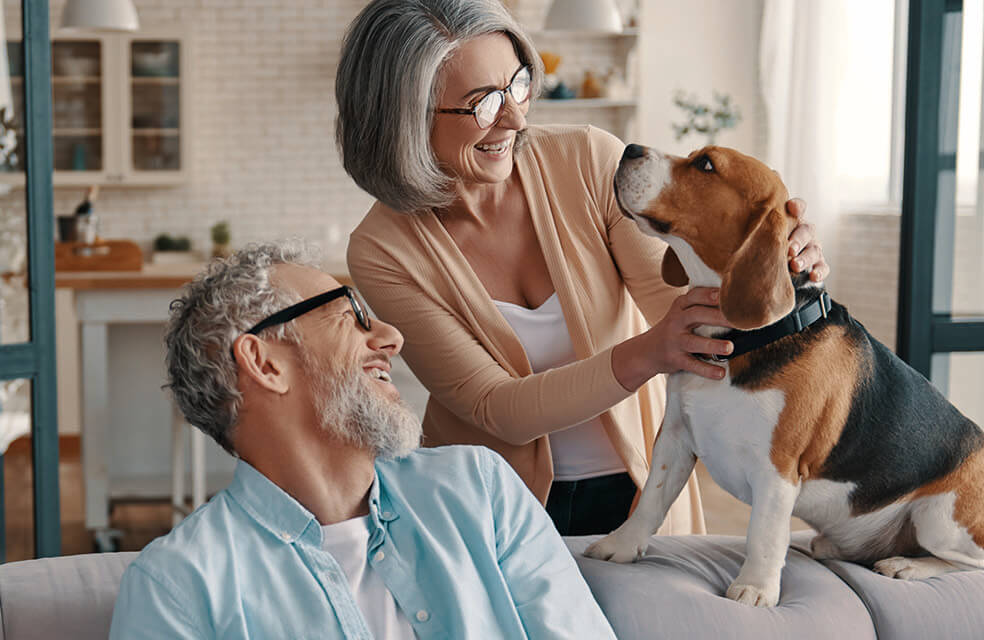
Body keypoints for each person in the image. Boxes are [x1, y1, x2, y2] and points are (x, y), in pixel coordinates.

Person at [338, 0, 830, 536]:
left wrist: (776, 265)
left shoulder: (588, 160)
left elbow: (693, 314)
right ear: (403, 119)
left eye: (518, 85)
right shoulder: (381, 250)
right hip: (492, 511)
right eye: (482, 103)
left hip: (642, 487)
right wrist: (649, 351)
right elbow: (494, 407)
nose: (516, 118)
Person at [109, 242, 615, 639]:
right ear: (264, 363)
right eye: (350, 314)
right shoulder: (177, 586)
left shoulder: (480, 493)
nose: (390, 337)